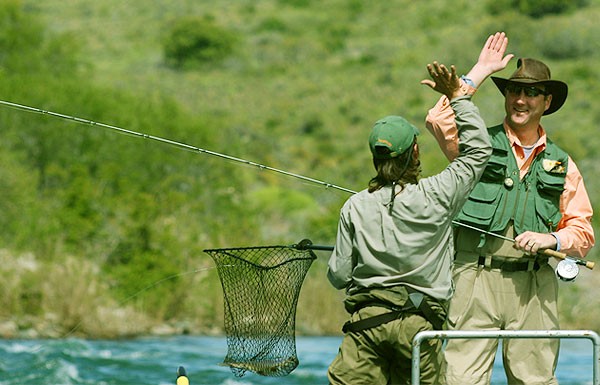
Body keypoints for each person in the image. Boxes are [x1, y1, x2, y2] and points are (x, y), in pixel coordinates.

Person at [425, 32, 595, 384]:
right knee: (458, 380)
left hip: (535, 287)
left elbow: (582, 232)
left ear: (547, 102)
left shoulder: (564, 164)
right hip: (473, 279)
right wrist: (480, 71)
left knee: (535, 381)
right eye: (514, 91)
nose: (521, 99)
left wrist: (552, 239)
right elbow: (438, 120)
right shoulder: (476, 144)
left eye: (531, 92)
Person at [326, 61, 492, 385]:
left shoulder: (354, 206)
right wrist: (458, 96)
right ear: (415, 151)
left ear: (375, 158)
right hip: (420, 328)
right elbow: (478, 152)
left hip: (366, 328)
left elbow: (339, 275)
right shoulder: (439, 194)